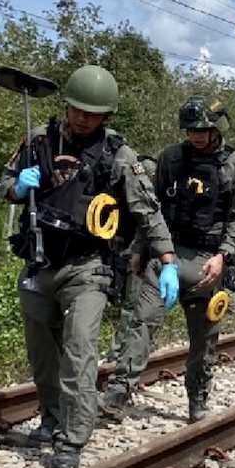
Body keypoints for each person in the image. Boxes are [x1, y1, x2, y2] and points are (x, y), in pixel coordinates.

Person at [0, 64, 179, 468]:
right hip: (39, 261)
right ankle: (51, 419)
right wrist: (18, 187)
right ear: (66, 105)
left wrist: (167, 261)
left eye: (91, 112)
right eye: (76, 108)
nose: (81, 117)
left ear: (106, 116)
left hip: (88, 268)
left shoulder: (119, 157)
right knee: (43, 354)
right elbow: (6, 183)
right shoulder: (38, 141)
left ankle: (72, 438)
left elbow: (148, 213)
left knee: (80, 351)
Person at [100, 94, 235, 424]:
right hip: (168, 257)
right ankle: (118, 392)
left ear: (216, 128)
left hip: (208, 262)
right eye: (190, 130)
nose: (195, 135)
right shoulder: (171, 158)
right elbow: (151, 208)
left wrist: (223, 257)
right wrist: (142, 248)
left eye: (201, 129)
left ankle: (197, 397)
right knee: (142, 322)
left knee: (203, 341)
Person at [107, 155, 158, 362]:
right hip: (136, 255)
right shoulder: (138, 199)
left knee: (137, 307)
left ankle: (125, 351)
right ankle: (121, 353)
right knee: (133, 306)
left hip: (140, 255)